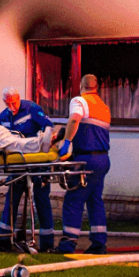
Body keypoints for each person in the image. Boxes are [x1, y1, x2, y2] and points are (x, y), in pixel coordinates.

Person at [56, 75, 112, 255]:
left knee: (74, 199)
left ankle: (68, 243)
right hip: (103, 159)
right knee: (95, 200)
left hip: (85, 160)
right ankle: (99, 242)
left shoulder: (79, 101)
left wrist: (66, 142)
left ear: (81, 86)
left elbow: (74, 120)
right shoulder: (104, 107)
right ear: (97, 87)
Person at [0, 87, 55, 252]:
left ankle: (47, 244)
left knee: (41, 199)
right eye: (8, 103)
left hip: (36, 160)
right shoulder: (4, 116)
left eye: (13, 102)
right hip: (17, 162)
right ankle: (4, 240)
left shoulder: (32, 109)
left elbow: (48, 127)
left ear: (18, 98)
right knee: (12, 199)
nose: (11, 106)